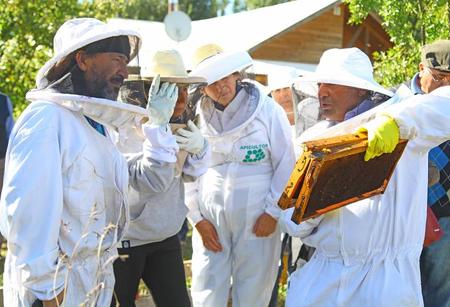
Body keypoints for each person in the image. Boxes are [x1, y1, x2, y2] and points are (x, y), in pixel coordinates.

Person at [0, 18, 175, 306]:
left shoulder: (98, 127)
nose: (124, 71)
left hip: (92, 279)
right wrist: (49, 292)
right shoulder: (46, 118)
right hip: (54, 289)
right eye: (117, 59)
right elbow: (28, 213)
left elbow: (146, 181)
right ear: (82, 59)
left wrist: (158, 129)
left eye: (126, 61)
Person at [281, 47, 450, 306]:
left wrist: (396, 123)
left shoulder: (402, 119)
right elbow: (290, 222)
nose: (322, 92)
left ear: (361, 89)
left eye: (333, 84)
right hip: (323, 276)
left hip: (386, 281)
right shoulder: (313, 141)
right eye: (320, 84)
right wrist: (314, 204)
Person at [185, 44, 296, 307]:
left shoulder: (268, 111)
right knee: (207, 285)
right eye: (213, 82)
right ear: (203, 88)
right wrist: (197, 219)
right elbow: (187, 170)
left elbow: (286, 163)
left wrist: (273, 212)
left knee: (255, 287)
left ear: (237, 75)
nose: (221, 86)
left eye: (225, 77)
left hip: (259, 215)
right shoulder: (195, 116)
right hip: (210, 217)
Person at [111, 49, 209, 307]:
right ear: (149, 90)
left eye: (184, 88)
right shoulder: (122, 126)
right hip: (125, 241)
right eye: (172, 88)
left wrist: (201, 150)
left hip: (165, 236)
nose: (182, 96)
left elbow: (190, 174)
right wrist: (156, 130)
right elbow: (150, 181)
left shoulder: (181, 123)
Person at [406, 40, 450, 307]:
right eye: (439, 77)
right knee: (398, 293)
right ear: (421, 69)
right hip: (402, 219)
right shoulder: (397, 104)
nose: (448, 86)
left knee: (438, 297)